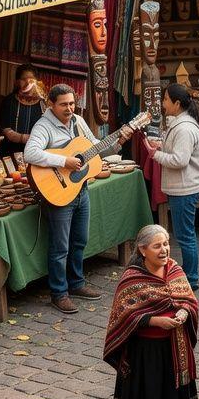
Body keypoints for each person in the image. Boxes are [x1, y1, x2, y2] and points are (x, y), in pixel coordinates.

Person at [26, 84, 133, 314]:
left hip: (80, 189)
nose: (69, 108)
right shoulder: (43, 126)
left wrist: (118, 141)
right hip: (59, 191)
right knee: (60, 247)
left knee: (80, 240)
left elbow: (94, 148)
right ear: (51, 105)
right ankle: (59, 293)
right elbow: (30, 153)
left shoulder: (78, 121)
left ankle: (76, 284)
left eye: (72, 103)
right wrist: (64, 161)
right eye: (64, 104)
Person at [103, 225, 199, 399]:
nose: (164, 249)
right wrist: (155, 320)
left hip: (172, 351)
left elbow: (189, 301)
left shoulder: (175, 270)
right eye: (157, 246)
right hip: (143, 354)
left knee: (169, 398)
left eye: (166, 243)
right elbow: (122, 315)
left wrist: (183, 312)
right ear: (142, 249)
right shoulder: (131, 278)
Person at [149, 83, 199, 289]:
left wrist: (156, 154)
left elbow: (180, 160)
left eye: (165, 99)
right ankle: (189, 274)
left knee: (185, 235)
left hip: (185, 188)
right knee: (185, 233)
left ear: (177, 103)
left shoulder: (184, 127)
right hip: (184, 186)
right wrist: (161, 146)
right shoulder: (182, 123)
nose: (163, 104)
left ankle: (191, 278)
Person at [0, 64, 45, 157]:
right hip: (10, 152)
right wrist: (24, 138)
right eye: (23, 79)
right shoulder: (9, 101)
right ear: (17, 82)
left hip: (37, 151)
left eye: (31, 79)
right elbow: (6, 130)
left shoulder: (44, 104)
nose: (27, 83)